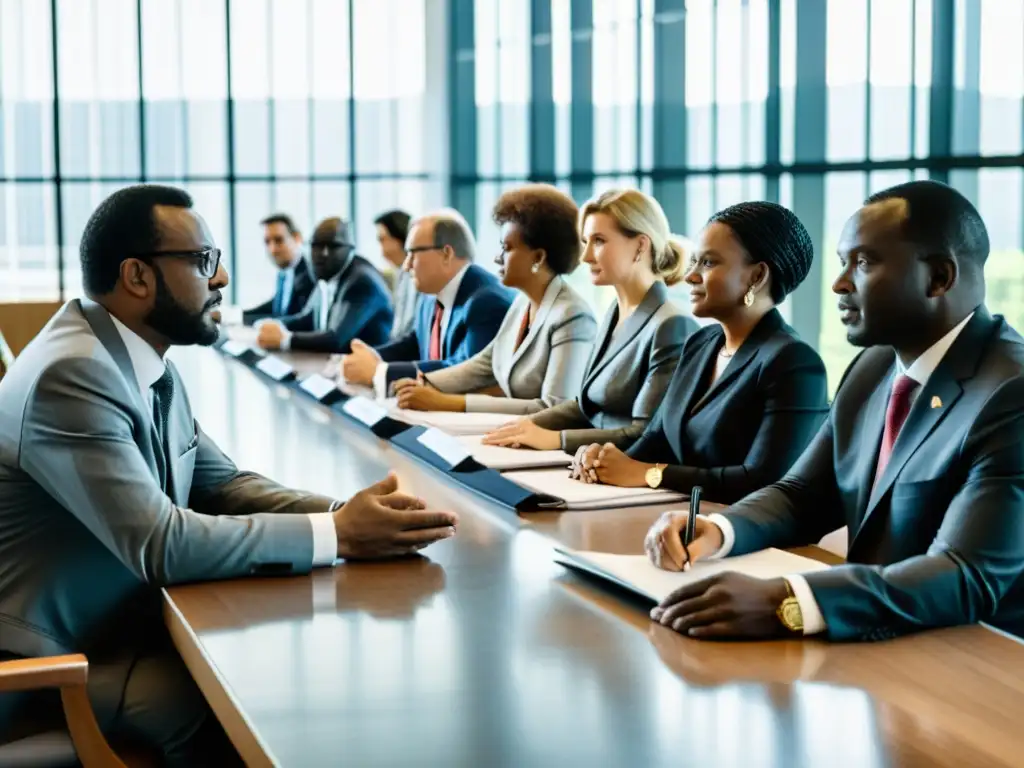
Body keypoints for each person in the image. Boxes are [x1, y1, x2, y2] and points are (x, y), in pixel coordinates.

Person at [0, 185, 458, 763]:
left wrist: (350, 515)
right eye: (203, 262)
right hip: (41, 663)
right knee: (229, 711)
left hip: (106, 625)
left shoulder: (133, 357)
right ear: (138, 277)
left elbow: (222, 484)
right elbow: (161, 543)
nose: (221, 280)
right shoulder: (74, 374)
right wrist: (340, 537)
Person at [645, 180, 1024, 641]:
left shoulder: (1011, 392)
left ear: (939, 278)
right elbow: (803, 494)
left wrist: (788, 600)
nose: (839, 283)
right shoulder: (875, 364)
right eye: (844, 261)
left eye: (862, 263)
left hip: (976, 661)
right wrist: (718, 529)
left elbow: (966, 575)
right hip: (878, 641)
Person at [572, 202, 829, 504]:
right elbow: (657, 437)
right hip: (670, 515)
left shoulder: (793, 363)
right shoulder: (702, 343)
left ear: (757, 276)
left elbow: (762, 480)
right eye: (694, 261)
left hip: (733, 536)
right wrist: (604, 461)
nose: (690, 275)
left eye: (708, 263)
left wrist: (650, 474)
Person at [483, 188, 696, 454]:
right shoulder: (613, 313)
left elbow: (646, 435)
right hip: (588, 462)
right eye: (586, 242)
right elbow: (585, 405)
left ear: (641, 245)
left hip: (623, 474)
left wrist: (556, 440)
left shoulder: (671, 325)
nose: (586, 257)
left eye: (599, 241)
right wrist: (523, 426)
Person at [393, 185, 596, 415]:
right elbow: (484, 364)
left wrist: (447, 402)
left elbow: (554, 408)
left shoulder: (573, 316)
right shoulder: (522, 304)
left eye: (507, 248)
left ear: (538, 257)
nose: (498, 258)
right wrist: (425, 382)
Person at [340, 210, 514, 396]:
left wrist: (381, 371)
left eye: (413, 253)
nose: (406, 266)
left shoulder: (486, 302)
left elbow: (464, 372)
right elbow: (415, 343)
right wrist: (369, 358)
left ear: (446, 254)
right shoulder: (430, 296)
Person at [255, 216, 393, 354]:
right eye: (316, 246)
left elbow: (336, 339)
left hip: (364, 369)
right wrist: (272, 326)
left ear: (350, 249)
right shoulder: (329, 276)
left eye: (332, 247)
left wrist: (285, 339)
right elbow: (307, 319)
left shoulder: (361, 282)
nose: (322, 254)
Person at [242, 213, 316, 325]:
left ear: (297, 238)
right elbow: (276, 307)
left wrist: (264, 325)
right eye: (267, 242)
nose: (272, 250)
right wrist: (239, 316)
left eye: (279, 240)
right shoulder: (284, 272)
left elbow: (304, 320)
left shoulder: (311, 274)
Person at [375, 209, 419, 339]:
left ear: (399, 238)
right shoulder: (400, 274)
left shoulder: (417, 276)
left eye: (382, 239)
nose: (380, 247)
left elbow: (408, 327)